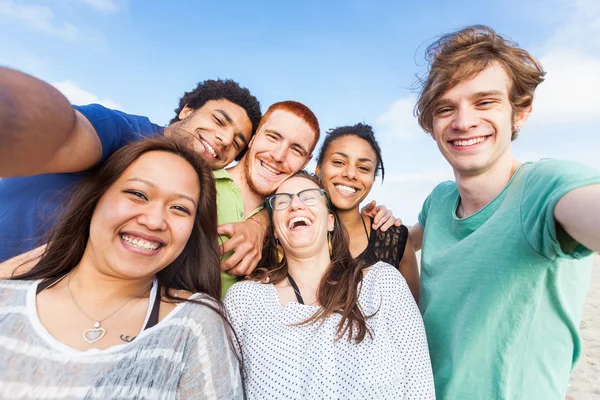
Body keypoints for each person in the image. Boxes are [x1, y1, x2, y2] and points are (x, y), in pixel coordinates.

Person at [408, 25, 600, 399]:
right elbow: (398, 239)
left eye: (484, 102)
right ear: (431, 127)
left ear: (521, 112)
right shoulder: (440, 200)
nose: (464, 122)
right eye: (446, 108)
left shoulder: (544, 187)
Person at [0, 137, 243, 399]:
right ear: (96, 199)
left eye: (179, 208)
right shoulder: (7, 298)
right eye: (138, 194)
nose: (154, 221)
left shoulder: (195, 324)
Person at [0, 67, 262, 263]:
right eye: (219, 120)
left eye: (238, 142)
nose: (226, 140)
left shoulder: (196, 194)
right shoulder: (124, 132)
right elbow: (63, 133)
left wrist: (260, 224)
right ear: (187, 111)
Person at [224, 171, 434, 399]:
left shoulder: (383, 283)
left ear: (331, 221)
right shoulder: (245, 300)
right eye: (283, 201)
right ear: (274, 230)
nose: (295, 205)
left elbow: (420, 385)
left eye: (309, 197)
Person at [215, 102, 399, 292]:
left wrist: (260, 222)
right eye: (272, 137)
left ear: (306, 161)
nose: (278, 156)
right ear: (253, 138)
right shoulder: (201, 188)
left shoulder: (290, 217)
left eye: (296, 149)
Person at [315, 123, 420, 302]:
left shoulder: (394, 239)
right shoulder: (291, 232)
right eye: (339, 162)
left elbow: (412, 315)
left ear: (373, 178)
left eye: (363, 168)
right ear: (319, 169)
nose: (350, 174)